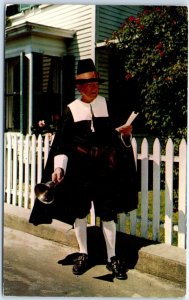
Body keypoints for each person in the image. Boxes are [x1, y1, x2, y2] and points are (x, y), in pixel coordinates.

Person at [29, 58, 138, 280]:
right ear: (79, 87)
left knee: (108, 214)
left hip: (105, 170)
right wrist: (59, 168)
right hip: (79, 172)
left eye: (96, 82)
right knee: (79, 213)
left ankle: (112, 258)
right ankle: (83, 253)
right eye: (89, 84)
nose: (94, 87)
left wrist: (126, 135)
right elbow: (62, 144)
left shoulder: (107, 106)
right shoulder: (71, 110)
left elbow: (119, 139)